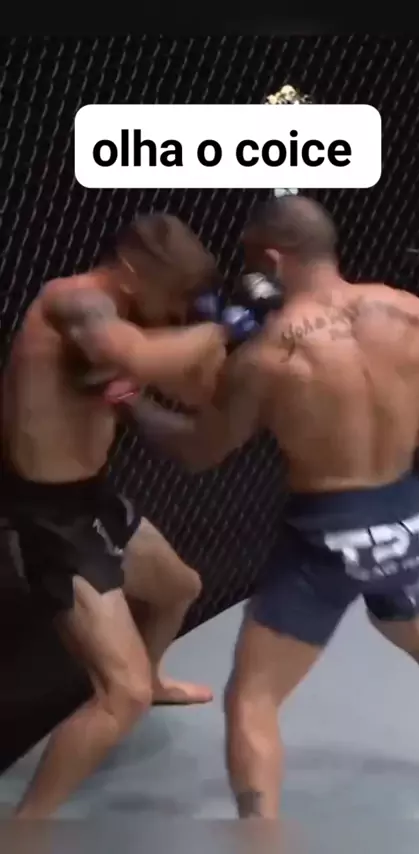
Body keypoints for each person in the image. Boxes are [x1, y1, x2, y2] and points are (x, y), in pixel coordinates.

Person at [117, 195, 419, 819]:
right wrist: (381, 444)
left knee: (252, 700)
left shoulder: (268, 355)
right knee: (411, 627)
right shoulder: (413, 313)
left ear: (273, 258)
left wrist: (131, 402)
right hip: (406, 514)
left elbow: (201, 450)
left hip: (329, 533)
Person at [2, 212, 228, 819]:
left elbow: (197, 393)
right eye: (172, 294)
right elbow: (122, 352)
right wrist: (214, 333)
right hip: (46, 515)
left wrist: (217, 346)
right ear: (131, 271)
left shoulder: (136, 319)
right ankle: (26, 825)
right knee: (119, 694)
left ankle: (152, 679)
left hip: (92, 498)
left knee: (179, 588)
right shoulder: (74, 301)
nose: (176, 309)